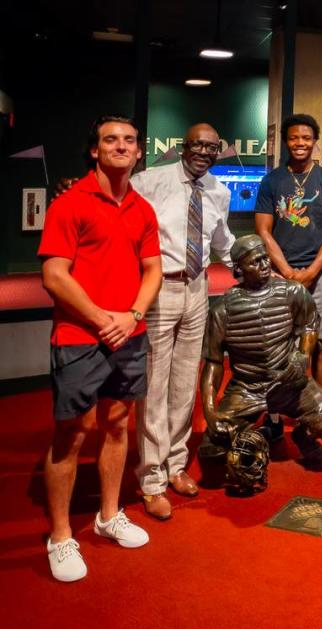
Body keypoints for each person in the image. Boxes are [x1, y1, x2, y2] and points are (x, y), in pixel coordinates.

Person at [38, 114, 162, 581]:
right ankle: (60, 536)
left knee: (116, 423)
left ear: (138, 151)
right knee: (72, 432)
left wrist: (130, 316)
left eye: (129, 141)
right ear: (95, 149)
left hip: (128, 333)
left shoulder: (142, 210)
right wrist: (100, 318)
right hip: (78, 336)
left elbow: (151, 270)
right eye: (111, 139)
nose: (121, 146)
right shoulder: (70, 204)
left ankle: (109, 515)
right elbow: (54, 275)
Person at [130, 123, 235, 520]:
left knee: (184, 384)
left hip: (198, 290)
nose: (204, 152)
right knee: (154, 386)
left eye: (212, 146)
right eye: (197, 145)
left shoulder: (219, 192)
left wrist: (249, 269)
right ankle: (151, 478)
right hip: (160, 289)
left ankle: (175, 465)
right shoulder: (149, 182)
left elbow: (222, 242)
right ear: (183, 146)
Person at [198, 236, 322, 473]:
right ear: (239, 269)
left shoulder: (292, 292)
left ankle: (303, 438)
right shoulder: (221, 311)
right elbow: (213, 364)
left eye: (265, 258)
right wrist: (210, 410)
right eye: (255, 262)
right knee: (212, 453)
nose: (264, 265)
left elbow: (309, 325)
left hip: (289, 383)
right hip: (246, 387)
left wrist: (302, 355)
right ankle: (243, 435)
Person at [254, 113, 322, 450]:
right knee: (277, 349)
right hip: (279, 275)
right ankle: (275, 418)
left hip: (320, 275)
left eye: (306, 138)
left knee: (319, 345)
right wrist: (287, 272)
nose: (300, 143)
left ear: (315, 141)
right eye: (294, 138)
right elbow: (264, 230)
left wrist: (310, 272)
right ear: (286, 142)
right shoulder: (272, 181)